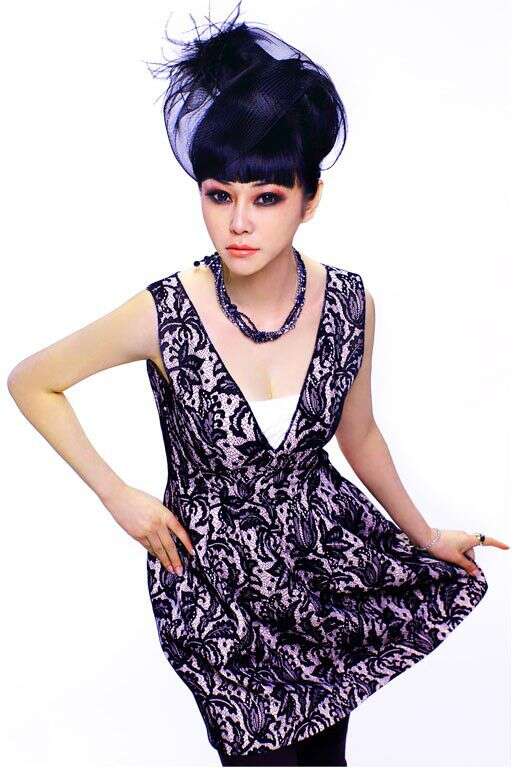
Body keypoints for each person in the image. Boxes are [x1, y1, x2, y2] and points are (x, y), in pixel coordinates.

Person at [7, 2, 509, 766]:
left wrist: (424, 536)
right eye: (219, 195)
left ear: (309, 199)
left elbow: (359, 435)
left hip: (323, 576)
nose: (238, 222)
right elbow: (33, 381)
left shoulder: (349, 304)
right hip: (215, 594)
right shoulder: (164, 313)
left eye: (266, 197)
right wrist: (120, 496)